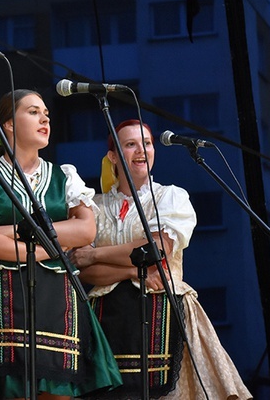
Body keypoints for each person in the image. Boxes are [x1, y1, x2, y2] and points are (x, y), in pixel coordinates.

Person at [69, 119, 252, 399]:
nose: (141, 150)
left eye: (147, 143)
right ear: (113, 156)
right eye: (130, 144)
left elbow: (155, 252)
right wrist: (131, 272)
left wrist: (95, 254)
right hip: (105, 315)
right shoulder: (95, 205)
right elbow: (83, 272)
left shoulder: (171, 197)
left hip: (165, 307)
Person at [0, 89, 122, 400]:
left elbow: (85, 230)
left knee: (58, 388)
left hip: (57, 300)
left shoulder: (63, 176)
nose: (44, 119)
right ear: (9, 124)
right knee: (10, 389)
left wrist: (13, 231)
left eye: (46, 115)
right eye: (33, 112)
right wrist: (51, 246)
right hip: (4, 298)